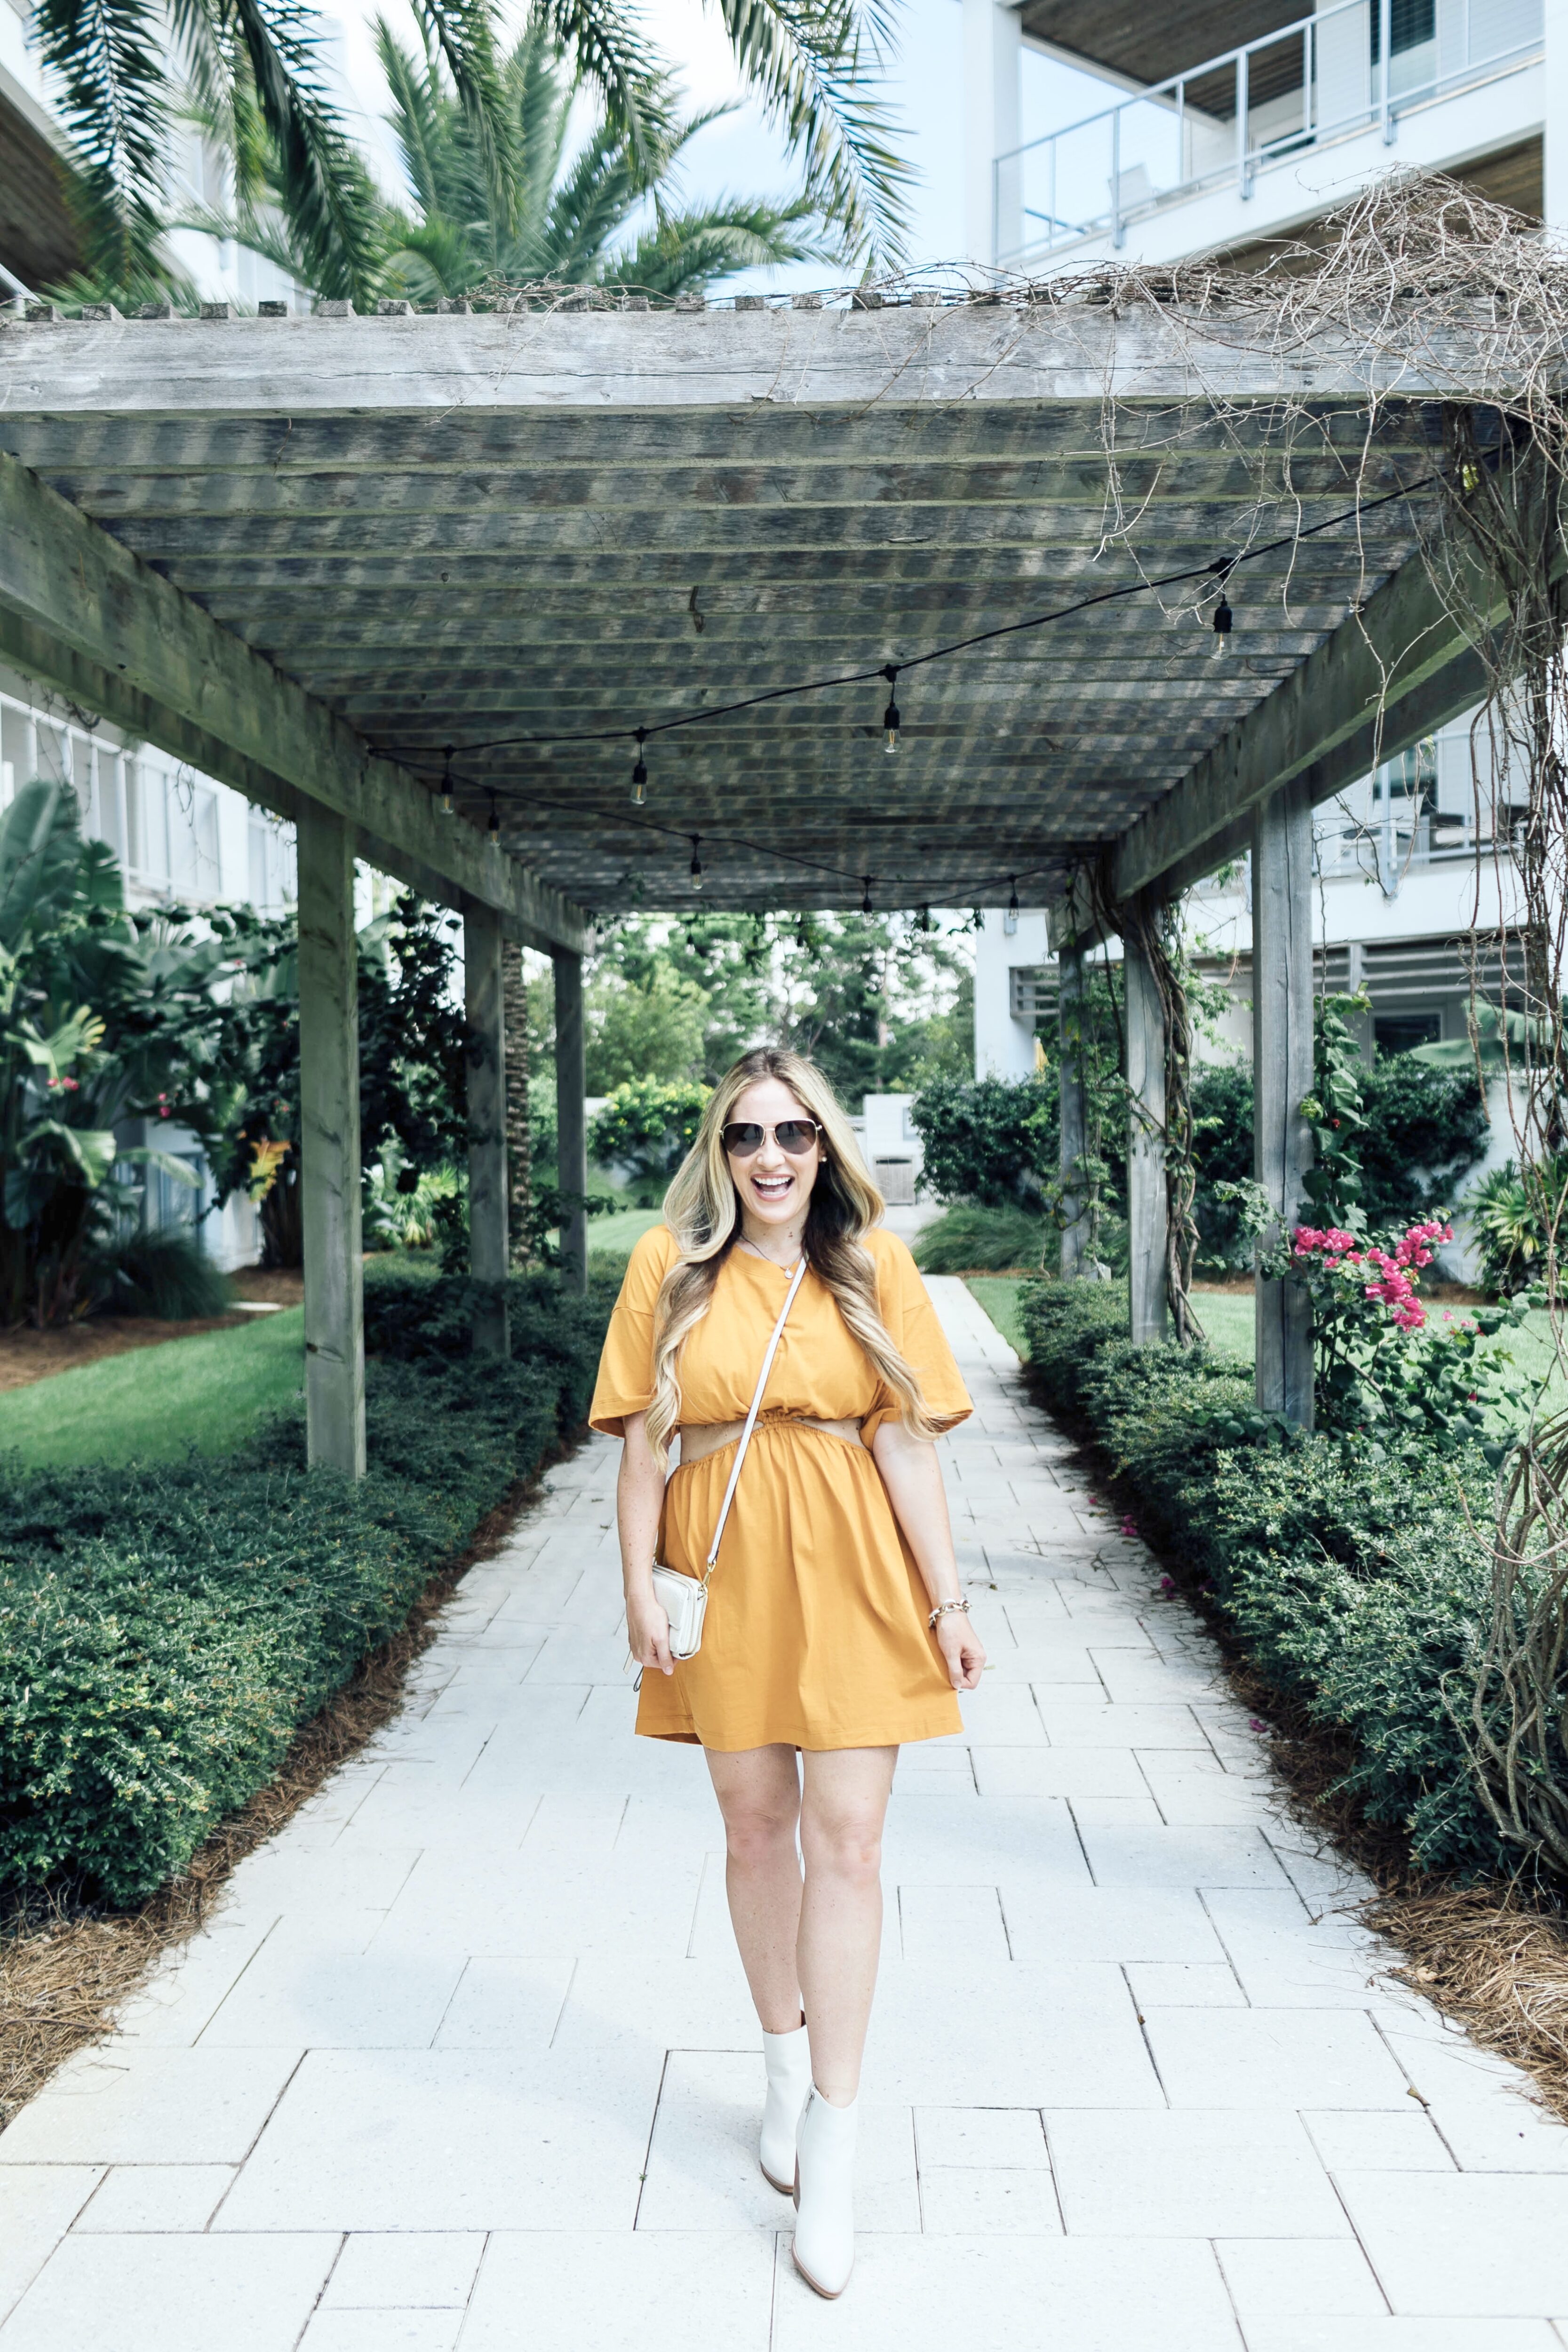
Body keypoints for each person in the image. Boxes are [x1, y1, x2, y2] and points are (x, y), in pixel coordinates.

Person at [589, 1046, 984, 2299]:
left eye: (794, 1135)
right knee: (758, 1830)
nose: (770, 1157)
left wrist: (951, 1599)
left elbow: (911, 1451)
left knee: (852, 1841)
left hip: (858, 1567)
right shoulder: (671, 1269)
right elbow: (646, 1445)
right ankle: (776, 2063)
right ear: (721, 1152)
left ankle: (835, 2125)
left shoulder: (876, 1269)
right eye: (748, 1136)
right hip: (723, 1563)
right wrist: (639, 1583)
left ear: (828, 1150)